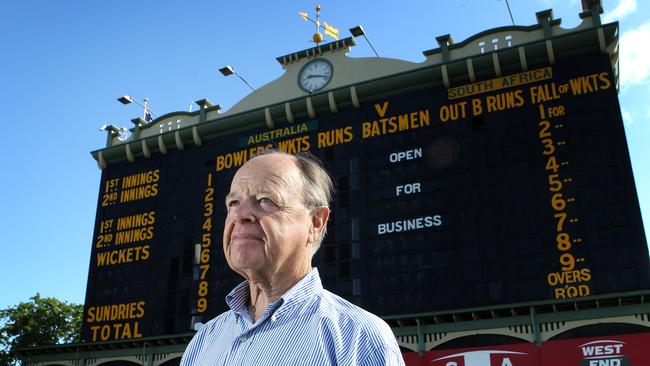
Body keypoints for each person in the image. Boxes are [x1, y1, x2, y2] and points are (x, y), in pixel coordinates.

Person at [180, 151, 405, 365]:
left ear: (316, 222)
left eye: (265, 200)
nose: (239, 215)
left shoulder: (359, 339)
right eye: (233, 202)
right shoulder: (203, 341)